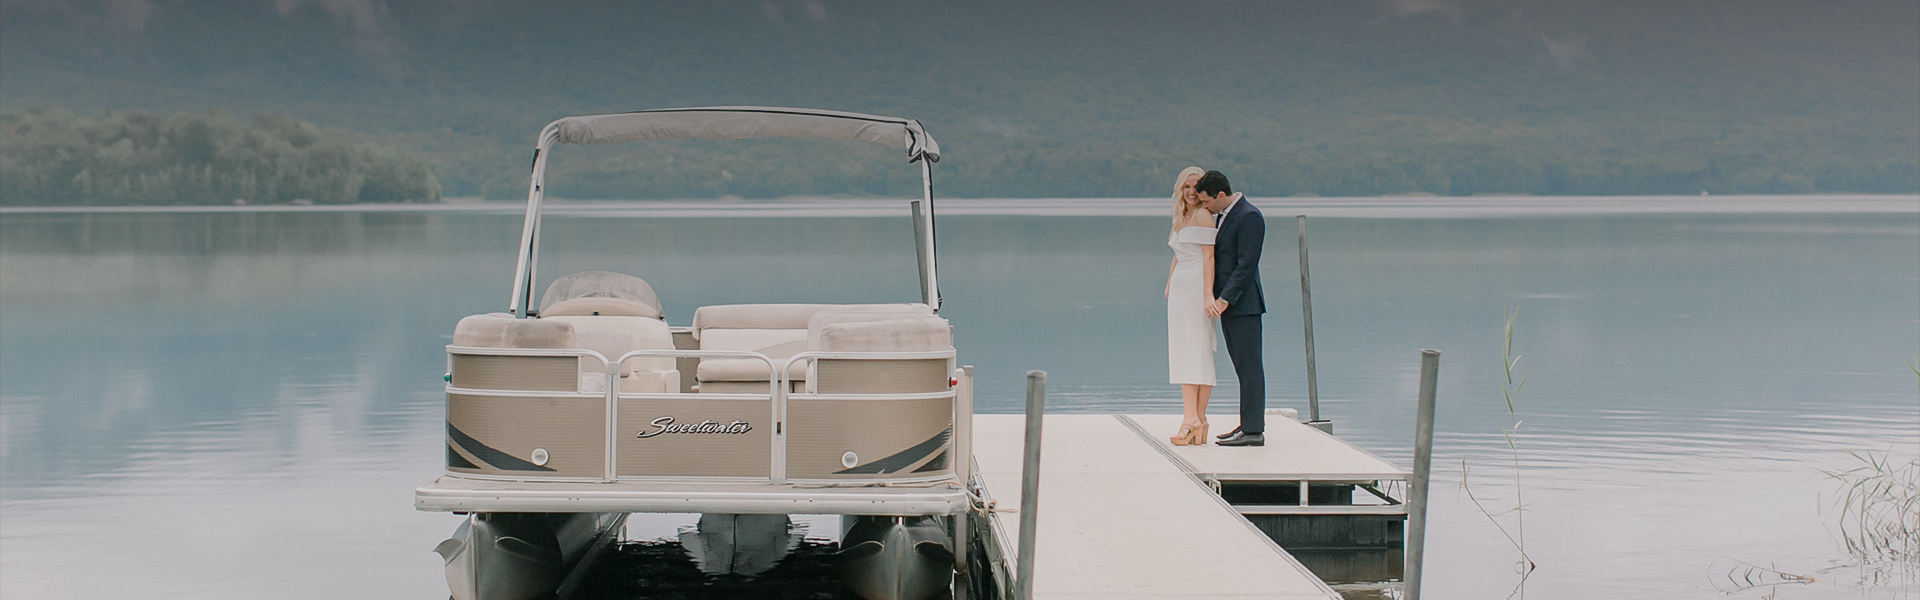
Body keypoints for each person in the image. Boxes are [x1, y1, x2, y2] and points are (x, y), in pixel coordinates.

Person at [1197, 170, 1268, 447]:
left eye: (1206, 201)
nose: (1205, 206)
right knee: (1242, 367)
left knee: (1250, 368)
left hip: (1244, 306)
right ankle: (1247, 425)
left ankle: (1253, 432)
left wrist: (1224, 299)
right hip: (1231, 307)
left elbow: (1246, 265)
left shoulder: (1250, 216)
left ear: (1221, 195)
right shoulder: (1225, 215)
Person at [1164, 166, 1216, 445]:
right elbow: (1178, 254)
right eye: (1187, 186)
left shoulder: (1204, 216)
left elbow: (1209, 258)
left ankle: (1192, 419)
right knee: (1187, 348)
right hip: (1181, 289)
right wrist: (1169, 283)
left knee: (1196, 350)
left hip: (1197, 287)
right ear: (1180, 189)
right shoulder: (1182, 216)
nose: (1192, 191)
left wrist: (1208, 294)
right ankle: (1198, 420)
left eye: (1196, 186)